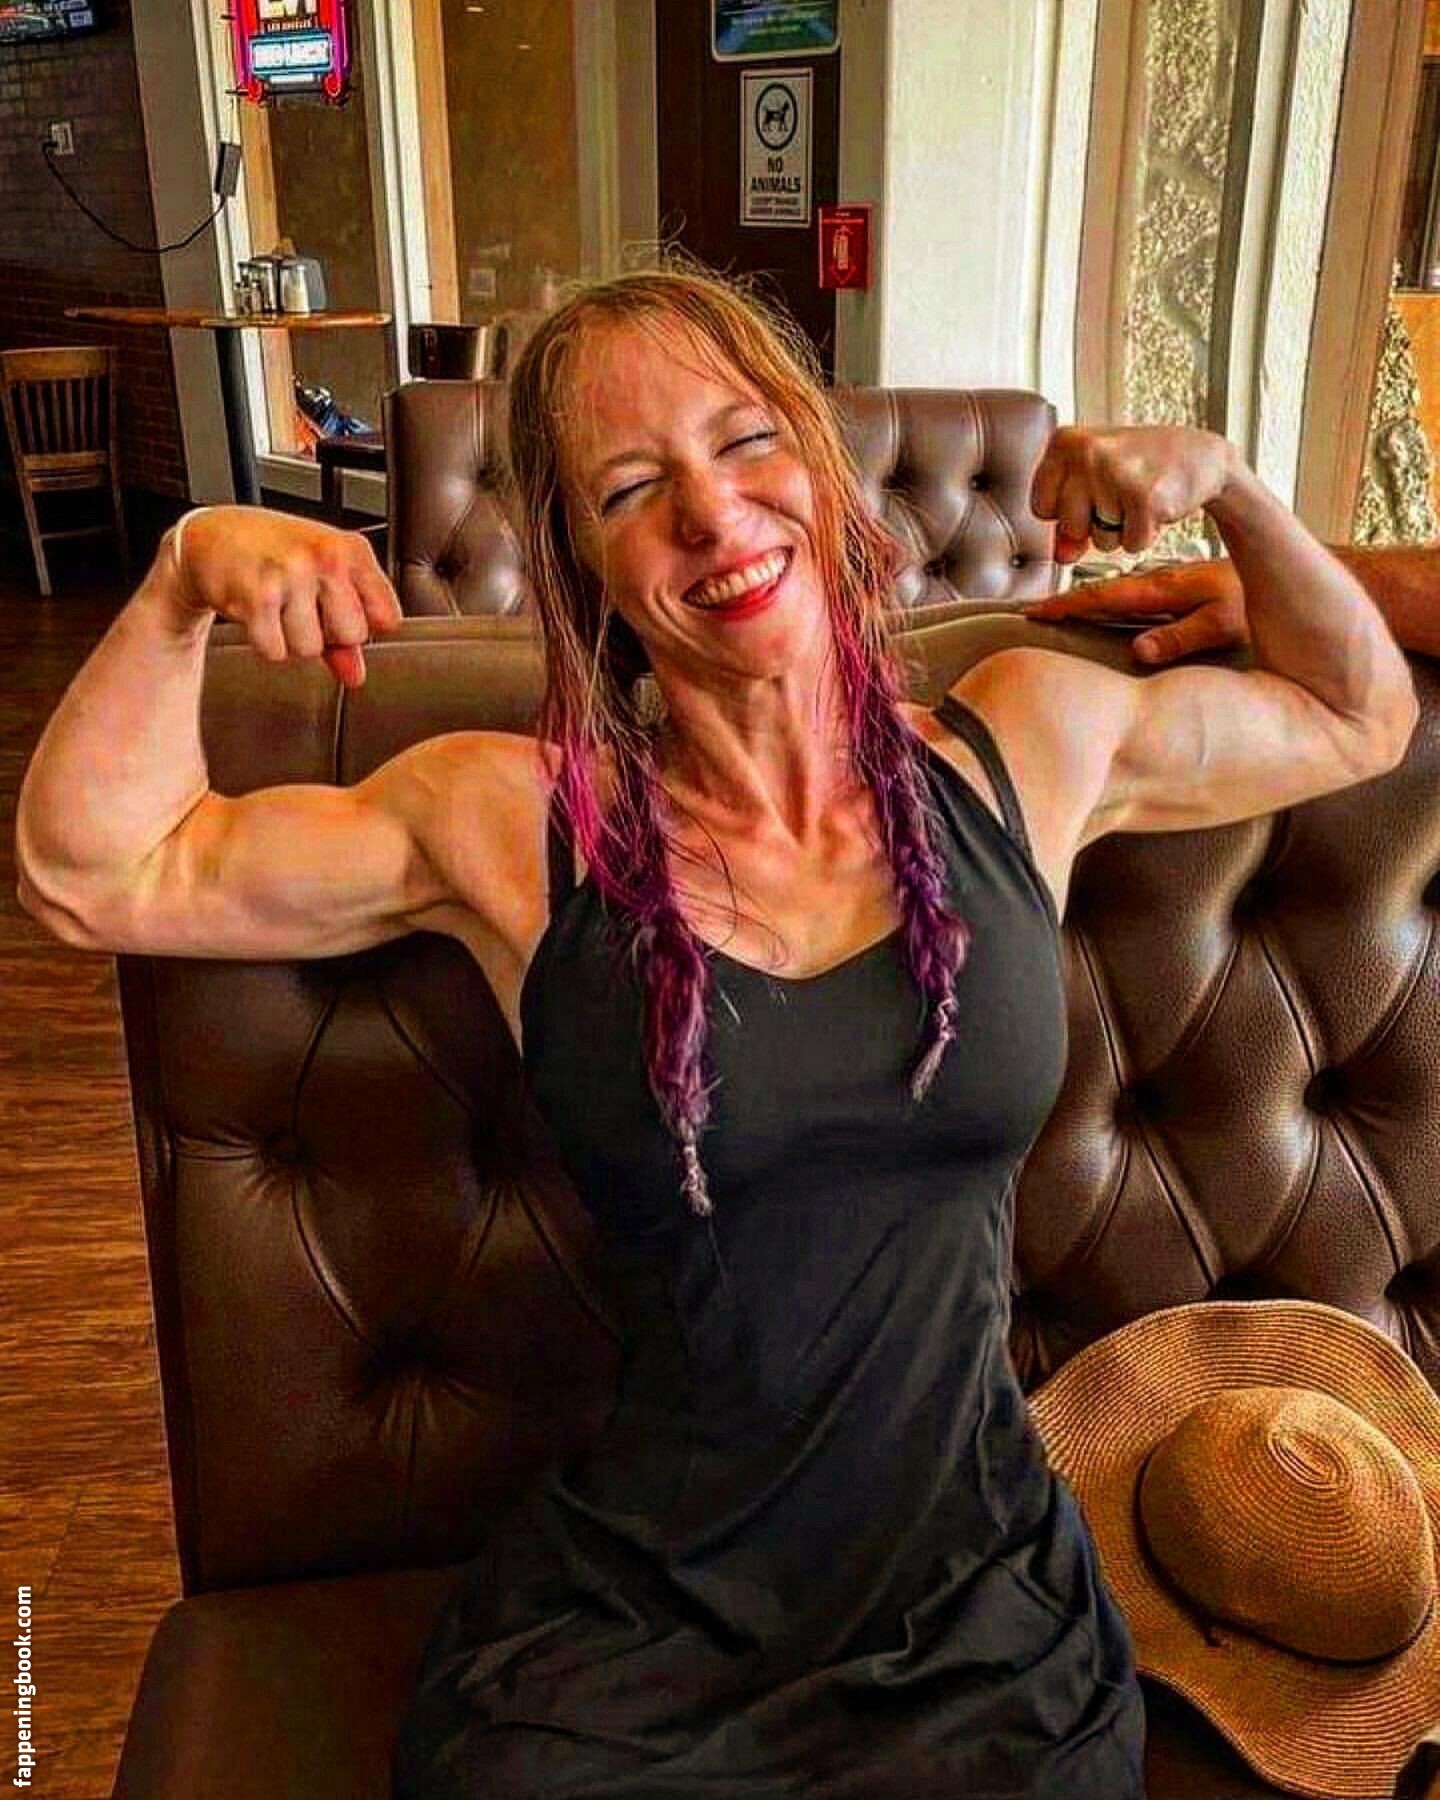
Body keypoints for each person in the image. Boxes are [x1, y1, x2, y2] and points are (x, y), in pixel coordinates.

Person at [14, 267, 1418, 1798]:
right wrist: (178, 583)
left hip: (978, 1603)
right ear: (582, 563)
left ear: (817, 460)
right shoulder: (512, 821)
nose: (711, 512)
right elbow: (94, 873)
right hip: (649, 1623)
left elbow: (1357, 715)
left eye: (746, 442)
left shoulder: (1026, 742)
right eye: (632, 488)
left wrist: (1229, 487)